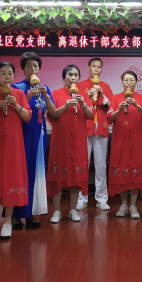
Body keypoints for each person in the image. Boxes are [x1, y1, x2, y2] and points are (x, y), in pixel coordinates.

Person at [0, 61, 32, 239]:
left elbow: (27, 116)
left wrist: (16, 106)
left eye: (10, 73)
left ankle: (8, 222)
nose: (7, 77)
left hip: (13, 143)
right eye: (3, 73)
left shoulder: (19, 94)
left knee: (11, 178)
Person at [12, 52, 56, 229]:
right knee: (21, 173)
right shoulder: (16, 88)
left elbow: (52, 112)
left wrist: (46, 96)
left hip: (40, 135)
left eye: (35, 66)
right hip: (22, 135)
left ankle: (31, 213)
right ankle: (16, 214)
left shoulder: (44, 88)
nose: (32, 69)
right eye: (29, 66)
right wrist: (27, 96)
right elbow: (13, 111)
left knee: (37, 174)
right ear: (23, 69)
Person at [47, 64, 93, 223]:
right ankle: (57, 211)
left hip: (78, 140)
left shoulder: (83, 94)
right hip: (60, 140)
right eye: (70, 75)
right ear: (64, 77)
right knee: (58, 175)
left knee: (76, 175)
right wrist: (65, 106)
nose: (73, 78)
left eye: (76, 75)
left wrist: (83, 104)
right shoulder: (56, 93)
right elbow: (52, 115)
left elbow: (91, 115)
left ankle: (73, 210)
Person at [107, 71, 142, 219]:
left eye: (132, 80)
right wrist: (119, 109)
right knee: (121, 170)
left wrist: (137, 105)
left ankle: (133, 205)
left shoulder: (141, 98)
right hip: (120, 140)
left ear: (136, 82)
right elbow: (109, 117)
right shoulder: (115, 98)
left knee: (135, 172)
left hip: (137, 140)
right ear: (122, 82)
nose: (129, 82)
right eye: (126, 80)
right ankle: (123, 204)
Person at [77, 57, 114, 211]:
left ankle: (102, 198)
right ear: (88, 68)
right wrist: (88, 96)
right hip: (84, 129)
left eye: (99, 67)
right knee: (82, 165)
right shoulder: (80, 85)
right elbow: (77, 106)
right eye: (94, 66)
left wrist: (102, 95)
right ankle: (81, 198)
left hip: (101, 129)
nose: (96, 69)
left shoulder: (105, 86)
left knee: (101, 165)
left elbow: (111, 108)